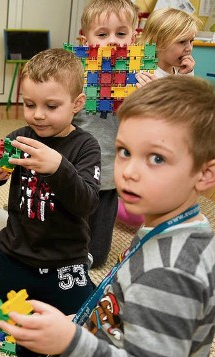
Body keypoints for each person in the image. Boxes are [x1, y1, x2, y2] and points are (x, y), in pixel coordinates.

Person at [0, 76, 215, 357]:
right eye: (125, 151)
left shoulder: (169, 274)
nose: (129, 171)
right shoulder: (176, 228)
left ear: (206, 174)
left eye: (157, 158)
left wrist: (71, 341)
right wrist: (77, 324)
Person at [0, 48, 100, 356]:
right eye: (29, 104)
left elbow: (88, 203)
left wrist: (58, 167)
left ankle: (81, 283)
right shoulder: (20, 137)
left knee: (82, 323)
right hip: (15, 253)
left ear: (77, 104)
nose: (38, 114)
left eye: (51, 106)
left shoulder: (85, 146)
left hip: (63, 261)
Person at [74, 0, 139, 268]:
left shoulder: (138, 75)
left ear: (134, 38)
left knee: (97, 256)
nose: (112, 41)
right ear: (84, 39)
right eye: (102, 35)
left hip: (111, 176)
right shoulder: (75, 74)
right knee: (66, 234)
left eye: (121, 34)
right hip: (77, 171)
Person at [139, 8, 201, 79]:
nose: (189, 48)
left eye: (191, 41)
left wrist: (187, 75)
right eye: (182, 42)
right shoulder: (145, 75)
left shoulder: (184, 70)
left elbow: (188, 90)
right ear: (158, 43)